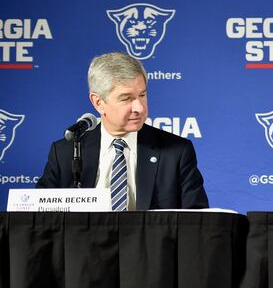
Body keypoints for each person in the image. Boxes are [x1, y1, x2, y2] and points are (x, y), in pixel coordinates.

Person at [37, 52, 209, 210]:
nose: (139, 108)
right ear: (98, 103)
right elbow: (36, 220)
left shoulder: (176, 152)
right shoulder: (66, 153)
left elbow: (196, 223)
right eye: (126, 98)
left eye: (142, 95)